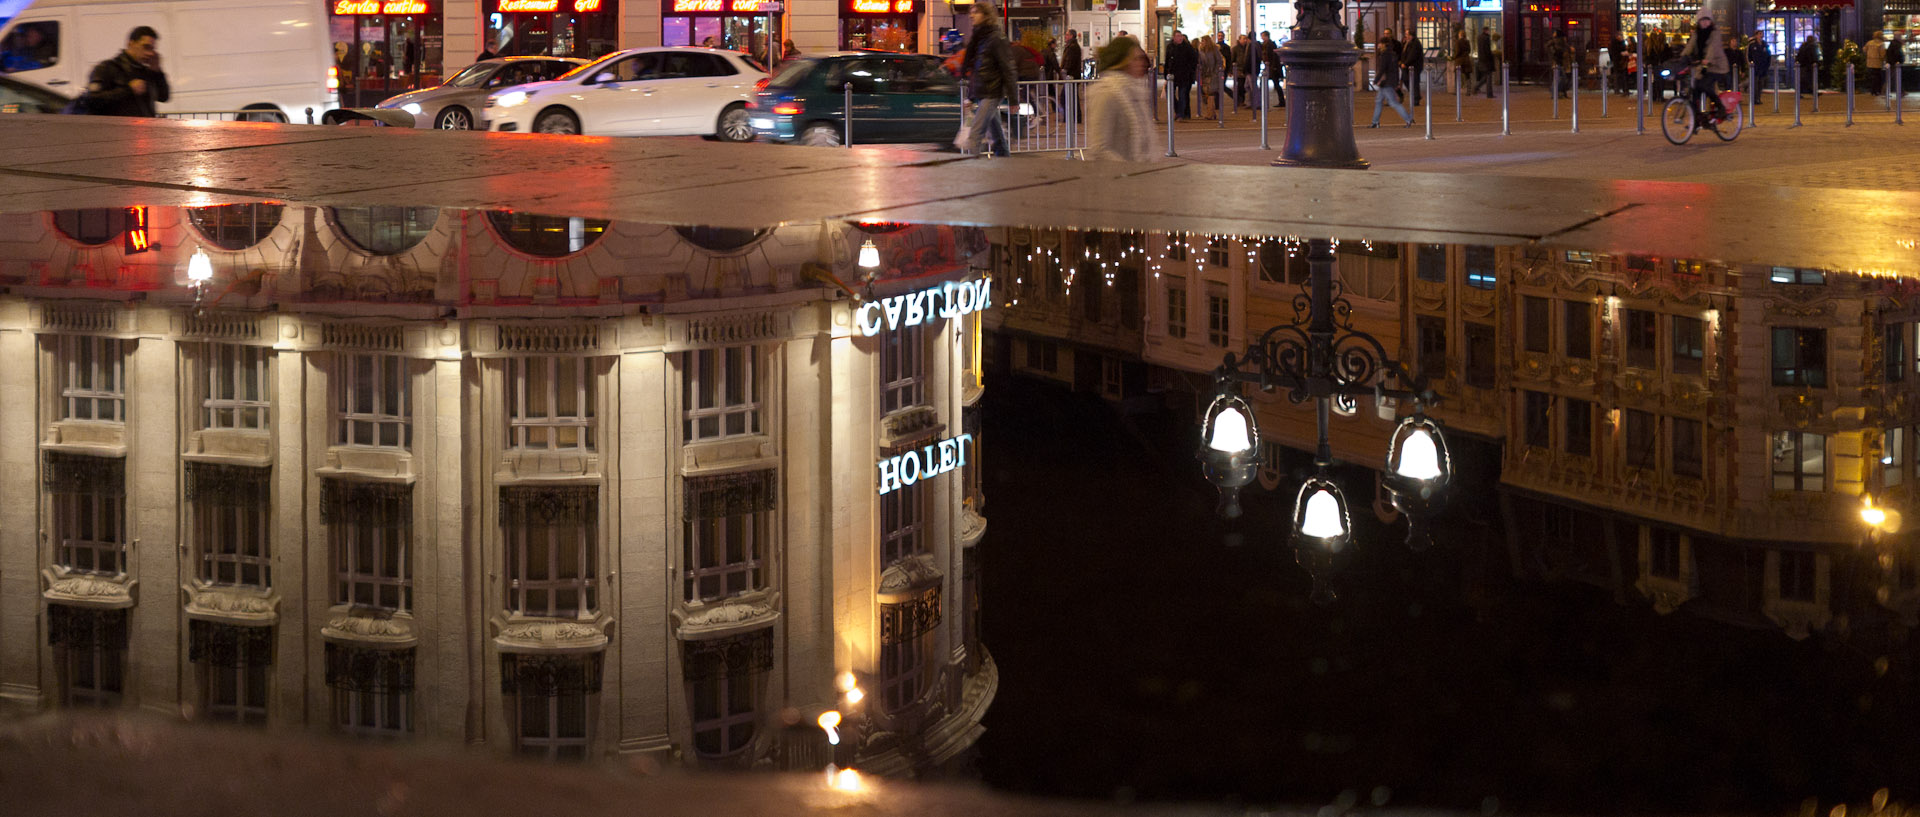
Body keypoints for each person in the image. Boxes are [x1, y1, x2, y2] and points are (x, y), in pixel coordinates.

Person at [956, 2, 1018, 156]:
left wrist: (1013, 99)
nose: (971, 15)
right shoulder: (979, 38)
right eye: (971, 12)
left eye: (976, 12)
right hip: (982, 91)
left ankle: (974, 170)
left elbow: (1008, 69)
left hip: (992, 92)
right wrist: (970, 96)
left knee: (975, 135)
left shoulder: (997, 38)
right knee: (997, 136)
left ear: (986, 15)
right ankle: (1005, 163)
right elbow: (977, 69)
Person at [1085, 36, 1154, 162]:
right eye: (1136, 59)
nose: (1142, 63)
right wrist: (1128, 171)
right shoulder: (1106, 92)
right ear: (1123, 62)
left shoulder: (1135, 92)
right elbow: (1099, 147)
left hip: (1139, 174)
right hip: (1117, 176)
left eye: (1141, 58)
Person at [86, 26, 170, 117]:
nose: (150, 53)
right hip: (116, 129)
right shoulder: (107, 68)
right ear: (131, 44)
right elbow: (92, 100)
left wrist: (157, 71)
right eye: (146, 47)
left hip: (145, 129)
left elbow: (163, 97)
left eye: (152, 49)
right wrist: (128, 90)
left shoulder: (146, 72)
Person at [1684, 11, 1730, 121]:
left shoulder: (1715, 32)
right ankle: (1697, 119)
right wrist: (1681, 58)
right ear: (1699, 21)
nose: (1705, 23)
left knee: (1705, 85)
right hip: (1704, 67)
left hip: (1718, 66)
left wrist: (1707, 60)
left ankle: (1721, 108)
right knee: (1695, 89)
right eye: (1702, 20)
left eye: (1707, 20)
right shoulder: (1697, 33)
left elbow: (1712, 49)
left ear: (1710, 21)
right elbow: (1689, 46)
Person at [1369, 29, 1413, 127]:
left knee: (1393, 102)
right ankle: (1375, 122)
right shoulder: (1392, 54)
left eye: (1380, 43)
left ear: (1383, 45)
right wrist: (1396, 82)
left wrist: (1376, 80)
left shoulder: (1385, 55)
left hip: (1386, 82)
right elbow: (1395, 69)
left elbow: (1382, 69)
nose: (1379, 45)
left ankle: (1408, 119)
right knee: (1379, 101)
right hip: (1389, 81)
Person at [1164, 30, 1197, 119]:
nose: (1180, 38)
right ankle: (1178, 109)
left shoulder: (1187, 47)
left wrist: (1190, 70)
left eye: (1181, 36)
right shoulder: (1170, 47)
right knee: (1169, 93)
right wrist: (1166, 73)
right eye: (1178, 36)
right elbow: (1167, 60)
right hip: (1172, 74)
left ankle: (1181, 114)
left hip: (1184, 74)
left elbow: (1194, 60)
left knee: (1182, 94)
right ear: (1173, 37)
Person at [1196, 35, 1222, 116]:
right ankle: (1212, 112)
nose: (1201, 43)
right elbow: (1199, 62)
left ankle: (1210, 113)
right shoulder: (1201, 51)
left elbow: (1219, 61)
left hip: (1213, 74)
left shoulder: (1214, 50)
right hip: (1204, 75)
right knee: (1206, 93)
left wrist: (1216, 72)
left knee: (1211, 93)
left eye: (1203, 41)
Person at [1260, 30, 1285, 106]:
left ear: (1266, 36)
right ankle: (1281, 101)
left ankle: (1282, 101)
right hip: (1269, 66)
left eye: (1263, 36)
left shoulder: (1270, 44)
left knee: (1276, 84)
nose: (1262, 38)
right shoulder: (1265, 44)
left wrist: (1273, 66)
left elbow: (1274, 56)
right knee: (1273, 83)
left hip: (1272, 67)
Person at [1400, 28, 1425, 105]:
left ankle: (1416, 98)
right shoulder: (1408, 42)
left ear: (1411, 36)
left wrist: (1406, 63)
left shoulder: (1415, 43)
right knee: (1405, 80)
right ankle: (1415, 95)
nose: (1406, 36)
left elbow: (1412, 55)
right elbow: (1404, 52)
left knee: (1414, 82)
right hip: (1407, 66)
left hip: (1414, 66)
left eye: (1407, 35)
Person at [1548, 28, 1571, 96]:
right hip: (1558, 64)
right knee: (1559, 78)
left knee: (1563, 79)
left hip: (1563, 64)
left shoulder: (1562, 45)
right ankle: (1554, 92)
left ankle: (1560, 92)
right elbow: (1556, 54)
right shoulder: (1555, 45)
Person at [1474, 27, 1495, 96]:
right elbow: (1487, 50)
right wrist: (1491, 57)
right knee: (1488, 76)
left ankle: (1476, 87)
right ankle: (1489, 93)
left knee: (1486, 76)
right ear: (1486, 31)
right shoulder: (1486, 38)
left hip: (1481, 59)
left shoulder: (1479, 37)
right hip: (1487, 60)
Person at [1450, 26, 1471, 92]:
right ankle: (1468, 90)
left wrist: (1454, 57)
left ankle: (1456, 90)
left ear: (1460, 35)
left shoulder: (1458, 42)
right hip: (1466, 60)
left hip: (1459, 61)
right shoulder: (1467, 42)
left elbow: (1457, 51)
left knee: (1458, 75)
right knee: (1467, 75)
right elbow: (1469, 50)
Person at [1867, 31, 1887, 95]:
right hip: (1878, 62)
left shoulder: (1869, 43)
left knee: (1873, 76)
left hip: (1870, 62)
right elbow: (1882, 54)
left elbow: (1864, 49)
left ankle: (1872, 90)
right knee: (1878, 77)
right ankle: (1876, 91)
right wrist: (1884, 59)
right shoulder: (1881, 44)